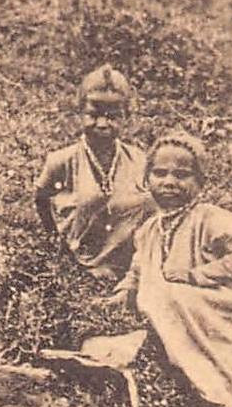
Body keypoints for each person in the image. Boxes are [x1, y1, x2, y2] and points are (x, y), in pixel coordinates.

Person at [106, 129, 232, 407]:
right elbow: (138, 267)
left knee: (169, 296)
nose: (170, 182)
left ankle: (217, 387)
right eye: (160, 173)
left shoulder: (215, 219)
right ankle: (188, 371)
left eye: (182, 175)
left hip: (218, 308)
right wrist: (124, 292)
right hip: (172, 310)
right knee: (160, 296)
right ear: (146, 179)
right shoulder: (149, 229)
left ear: (200, 181)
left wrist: (194, 275)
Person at [33, 64, 155, 286]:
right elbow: (41, 199)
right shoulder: (61, 161)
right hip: (80, 268)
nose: (102, 124)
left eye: (113, 116)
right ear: (79, 113)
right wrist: (56, 243)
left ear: (127, 116)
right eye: (93, 114)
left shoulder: (139, 160)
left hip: (129, 270)